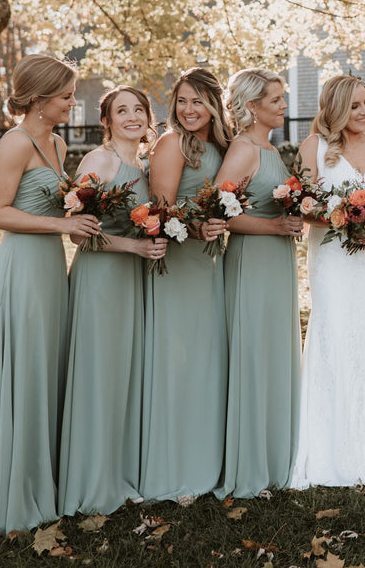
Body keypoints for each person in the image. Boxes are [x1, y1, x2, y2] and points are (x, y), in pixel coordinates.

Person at [0, 54, 100, 537]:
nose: (73, 103)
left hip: (51, 268)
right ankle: (12, 489)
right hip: (21, 270)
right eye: (66, 96)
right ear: (37, 99)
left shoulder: (55, 142)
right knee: (24, 370)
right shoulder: (14, 143)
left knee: (44, 369)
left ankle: (42, 478)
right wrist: (62, 222)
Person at [289, 75, 365, 488]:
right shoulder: (314, 148)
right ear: (336, 107)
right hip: (333, 261)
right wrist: (345, 217)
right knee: (333, 338)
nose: (364, 111)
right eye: (355, 105)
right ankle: (327, 453)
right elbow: (300, 205)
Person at [56, 86, 166, 516]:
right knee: (99, 376)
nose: (133, 117)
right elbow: (77, 231)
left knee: (124, 375)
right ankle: (92, 480)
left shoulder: (145, 164)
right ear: (107, 120)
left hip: (133, 281)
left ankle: (121, 471)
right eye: (123, 111)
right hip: (101, 280)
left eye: (139, 109)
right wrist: (134, 248)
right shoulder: (99, 161)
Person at [138, 68, 232, 501]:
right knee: (177, 361)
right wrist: (194, 230)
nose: (188, 109)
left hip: (212, 266)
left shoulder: (222, 146)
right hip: (178, 266)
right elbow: (159, 214)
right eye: (181, 101)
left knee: (207, 360)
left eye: (197, 101)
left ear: (214, 104)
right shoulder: (172, 143)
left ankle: (208, 459)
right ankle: (173, 465)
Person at [214, 68, 302, 498]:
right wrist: (276, 227)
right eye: (275, 100)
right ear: (252, 107)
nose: (283, 105)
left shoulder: (270, 147)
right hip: (252, 261)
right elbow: (221, 211)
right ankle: (250, 461)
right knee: (253, 352)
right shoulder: (244, 149)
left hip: (277, 261)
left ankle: (276, 452)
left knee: (273, 351)